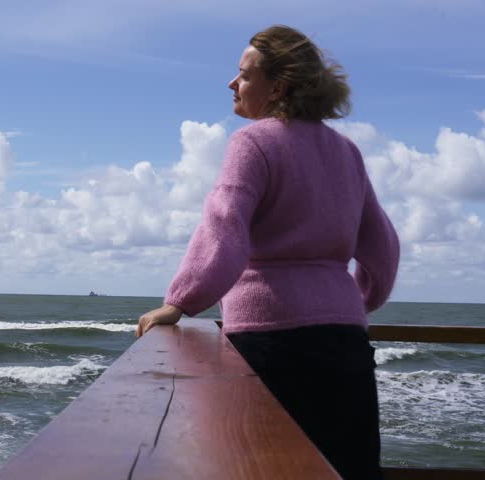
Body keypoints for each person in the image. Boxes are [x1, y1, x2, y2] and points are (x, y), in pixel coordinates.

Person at [135, 25, 399, 480]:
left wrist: (179, 303)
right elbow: (382, 245)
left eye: (243, 74)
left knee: (260, 469)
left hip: (271, 342)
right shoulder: (346, 151)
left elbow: (224, 230)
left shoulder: (252, 142)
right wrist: (355, 300)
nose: (232, 83)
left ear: (277, 86)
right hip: (345, 342)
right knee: (350, 469)